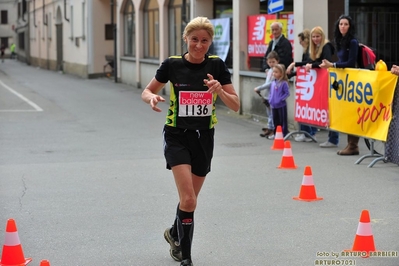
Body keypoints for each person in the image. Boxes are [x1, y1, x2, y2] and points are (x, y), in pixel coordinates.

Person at [141, 16, 240, 266]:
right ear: (186, 39)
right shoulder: (172, 65)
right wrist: (151, 98)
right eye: (194, 39)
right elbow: (147, 90)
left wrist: (219, 90)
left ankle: (174, 233)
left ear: (210, 43)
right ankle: (186, 258)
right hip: (177, 136)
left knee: (190, 201)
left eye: (204, 41)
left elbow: (236, 105)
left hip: (204, 138)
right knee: (188, 200)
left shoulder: (217, 66)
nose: (199, 45)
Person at [320, 15, 359, 155]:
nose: (342, 26)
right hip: (344, 80)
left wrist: (333, 65)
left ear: (350, 26)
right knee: (347, 113)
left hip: (353, 80)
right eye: (340, 24)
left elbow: (350, 62)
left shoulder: (353, 42)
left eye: (346, 24)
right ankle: (350, 145)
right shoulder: (340, 40)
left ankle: (353, 145)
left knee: (353, 113)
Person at [288, 26, 335, 142]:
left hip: (326, 81)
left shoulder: (326, 46)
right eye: (313, 37)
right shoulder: (316, 48)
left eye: (317, 36)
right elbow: (311, 62)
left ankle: (332, 139)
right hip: (319, 81)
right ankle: (314, 134)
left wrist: (310, 66)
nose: (315, 39)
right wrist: (295, 65)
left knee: (329, 110)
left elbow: (324, 63)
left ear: (322, 36)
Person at [254, 51, 280, 138]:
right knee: (269, 113)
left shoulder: (276, 72)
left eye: (273, 62)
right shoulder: (269, 71)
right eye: (270, 62)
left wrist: (259, 88)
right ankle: (270, 128)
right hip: (267, 95)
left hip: (273, 96)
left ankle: (273, 130)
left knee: (272, 114)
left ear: (277, 61)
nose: (271, 64)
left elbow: (270, 83)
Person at [268, 63, 290, 139]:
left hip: (281, 105)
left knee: (282, 121)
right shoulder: (273, 82)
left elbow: (287, 93)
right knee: (275, 120)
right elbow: (271, 92)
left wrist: (280, 99)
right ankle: (276, 134)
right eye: (273, 72)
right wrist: (270, 99)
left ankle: (284, 134)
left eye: (276, 72)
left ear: (281, 73)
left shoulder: (284, 83)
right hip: (274, 105)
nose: (274, 73)